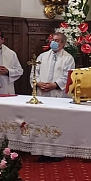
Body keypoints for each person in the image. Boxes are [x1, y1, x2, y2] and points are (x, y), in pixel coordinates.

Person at [30, 31, 75, 162]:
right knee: (42, 121)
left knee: (57, 122)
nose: (53, 43)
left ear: (63, 43)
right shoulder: (42, 57)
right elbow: (34, 72)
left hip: (58, 94)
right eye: (52, 40)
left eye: (57, 40)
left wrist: (54, 85)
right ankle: (42, 151)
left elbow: (68, 76)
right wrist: (38, 82)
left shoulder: (68, 58)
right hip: (42, 93)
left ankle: (57, 152)